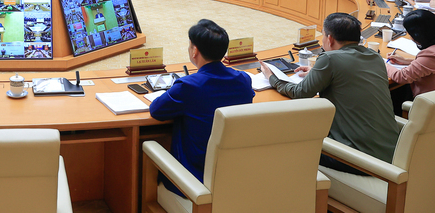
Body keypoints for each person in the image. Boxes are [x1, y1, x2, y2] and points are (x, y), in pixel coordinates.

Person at [261, 12, 399, 174]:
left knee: (283, 140)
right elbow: (349, 73)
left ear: (330, 38)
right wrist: (317, 72)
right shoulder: (374, 57)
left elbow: (299, 93)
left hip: (361, 159)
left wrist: (272, 78)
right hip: (391, 153)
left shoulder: (329, 59)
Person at [150, 20, 254, 193]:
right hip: (235, 176)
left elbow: (156, 110)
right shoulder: (243, 80)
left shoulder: (188, 86)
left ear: (195, 50)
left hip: (194, 178)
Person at [386, 10, 435, 114]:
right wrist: (406, 61)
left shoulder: (430, 54)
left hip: (425, 105)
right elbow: (429, 65)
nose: (410, 37)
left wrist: (382, 64)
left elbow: (402, 77)